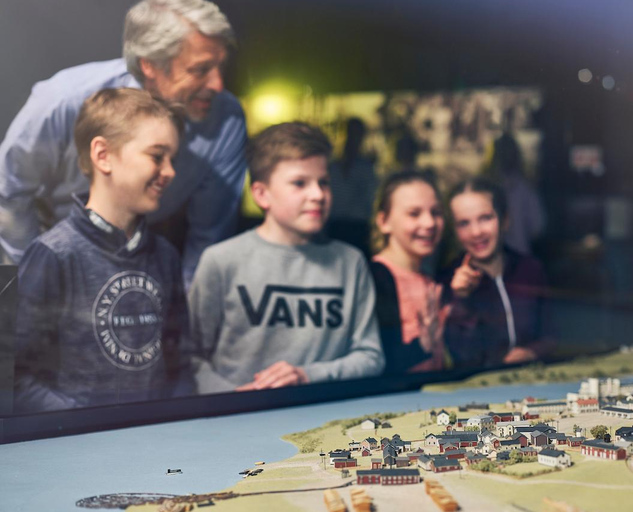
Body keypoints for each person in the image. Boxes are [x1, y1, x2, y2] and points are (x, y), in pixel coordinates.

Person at [0, 0, 247, 286]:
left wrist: (183, 318)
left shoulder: (225, 119)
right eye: (200, 69)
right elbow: (9, 193)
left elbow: (208, 238)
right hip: (41, 243)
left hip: (138, 255)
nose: (218, 85)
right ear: (150, 65)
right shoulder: (62, 101)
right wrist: (33, 273)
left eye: (221, 67)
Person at [13, 88, 194, 413]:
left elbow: (179, 363)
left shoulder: (165, 256)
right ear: (103, 155)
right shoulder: (52, 255)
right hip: (79, 450)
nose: (170, 171)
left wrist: (173, 421)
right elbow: (17, 378)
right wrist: (88, 424)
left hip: (155, 443)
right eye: (156, 156)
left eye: (172, 159)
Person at [189, 122, 384, 393]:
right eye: (299, 183)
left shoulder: (350, 262)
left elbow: (370, 357)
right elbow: (190, 358)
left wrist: (307, 376)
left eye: (324, 182)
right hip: (236, 422)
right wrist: (232, 398)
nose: (317, 195)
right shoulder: (222, 261)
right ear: (261, 194)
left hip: (322, 418)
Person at [443, 177, 554, 370]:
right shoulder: (446, 281)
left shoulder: (530, 269)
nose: (476, 232)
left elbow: (550, 335)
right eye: (463, 223)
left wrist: (531, 352)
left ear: (505, 220)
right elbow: (458, 357)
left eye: (485, 218)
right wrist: (460, 299)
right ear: (454, 231)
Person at [370, 170, 449, 374]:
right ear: (384, 222)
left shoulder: (429, 279)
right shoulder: (374, 278)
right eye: (414, 214)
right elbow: (377, 363)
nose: (429, 223)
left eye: (436, 212)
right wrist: (422, 345)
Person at [326, 117, 378, 258]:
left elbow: (370, 200)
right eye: (350, 132)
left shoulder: (366, 168)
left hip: (358, 228)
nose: (353, 138)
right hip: (334, 227)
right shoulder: (331, 166)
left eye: (357, 134)